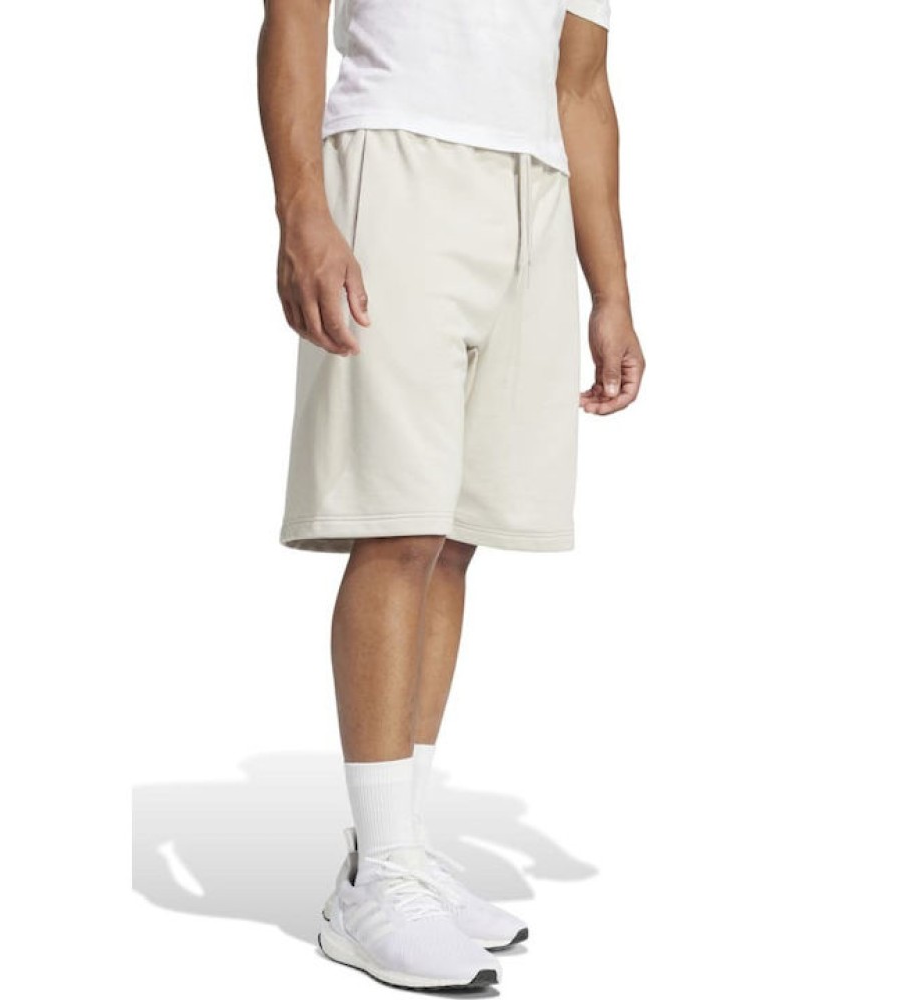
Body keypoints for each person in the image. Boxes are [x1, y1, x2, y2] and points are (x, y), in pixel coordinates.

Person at [257, 0, 643, 989]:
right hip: (395, 158)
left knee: (456, 535)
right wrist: (302, 211)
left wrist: (610, 292)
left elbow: (581, 87)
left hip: (534, 191)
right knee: (397, 524)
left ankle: (398, 849)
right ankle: (375, 882)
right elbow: (293, 15)